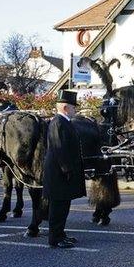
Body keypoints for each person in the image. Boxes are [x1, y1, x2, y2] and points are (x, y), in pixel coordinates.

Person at [42, 90, 86, 249]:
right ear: (66, 108)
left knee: (63, 206)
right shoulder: (58, 122)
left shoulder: (64, 121)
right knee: (57, 207)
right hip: (58, 173)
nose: (76, 110)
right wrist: (67, 169)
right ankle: (55, 238)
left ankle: (60, 233)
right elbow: (59, 148)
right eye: (74, 107)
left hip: (61, 172)